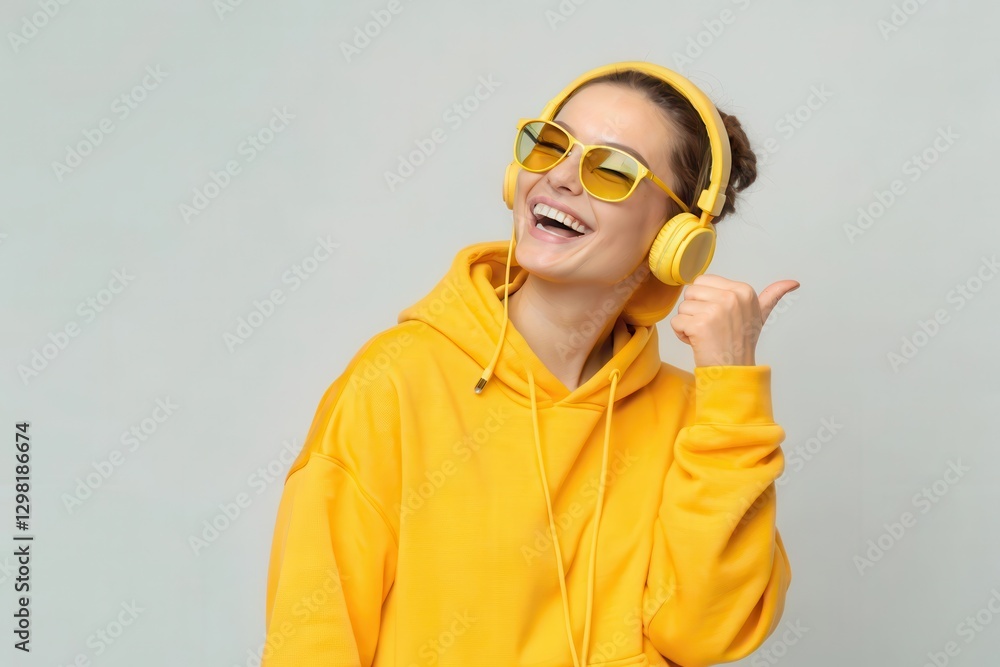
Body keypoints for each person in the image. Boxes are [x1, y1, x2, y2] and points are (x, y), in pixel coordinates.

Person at [261, 61, 799, 667]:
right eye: (551, 145)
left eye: (612, 170)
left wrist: (730, 391)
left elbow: (706, 632)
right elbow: (311, 640)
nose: (561, 177)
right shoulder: (395, 382)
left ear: (677, 235)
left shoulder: (696, 423)